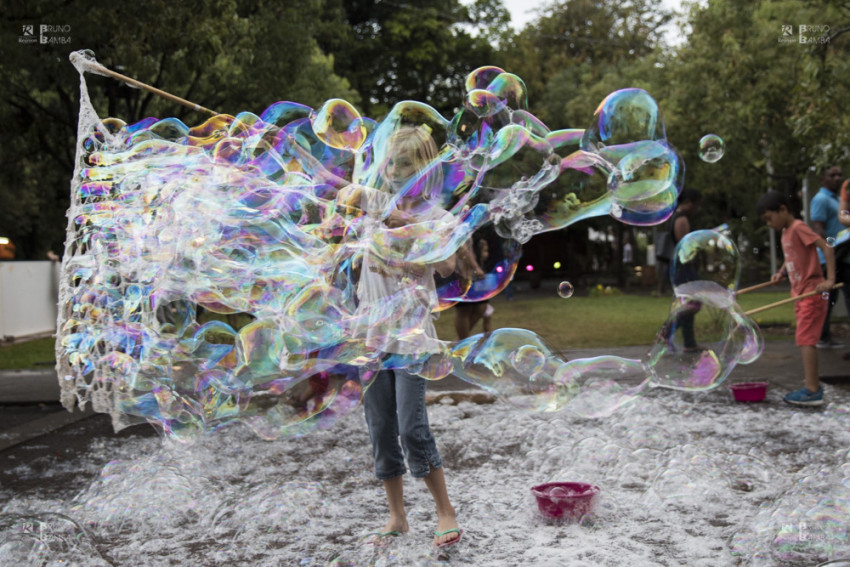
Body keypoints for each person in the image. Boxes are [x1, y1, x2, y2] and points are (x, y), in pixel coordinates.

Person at [344, 126, 462, 548]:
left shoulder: (437, 217)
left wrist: (409, 225)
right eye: (391, 162)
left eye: (406, 163)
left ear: (425, 168)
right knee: (380, 428)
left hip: (411, 337)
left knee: (412, 428)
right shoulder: (374, 201)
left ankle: (444, 511)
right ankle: (397, 516)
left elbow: (448, 267)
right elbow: (343, 194)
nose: (395, 171)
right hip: (371, 336)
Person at [758, 190, 835, 406]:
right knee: (804, 339)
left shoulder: (798, 227)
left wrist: (829, 280)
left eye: (769, 218)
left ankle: (812, 390)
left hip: (812, 292)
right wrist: (781, 273)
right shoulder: (785, 232)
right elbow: (792, 255)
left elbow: (826, 247)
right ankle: (811, 387)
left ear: (783, 210)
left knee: (806, 340)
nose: (768, 223)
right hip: (800, 295)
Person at [809, 165, 846, 349]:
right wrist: (829, 250)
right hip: (829, 259)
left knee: (839, 297)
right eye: (832, 175)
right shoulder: (821, 199)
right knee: (827, 300)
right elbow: (819, 229)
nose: (837, 178)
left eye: (839, 174)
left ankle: (825, 337)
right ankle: (823, 338)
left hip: (842, 257)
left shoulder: (838, 199)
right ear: (823, 178)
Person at [669, 188, 702, 351]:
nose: (698, 209)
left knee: (690, 303)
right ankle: (667, 332)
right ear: (688, 202)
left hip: (683, 267)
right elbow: (685, 246)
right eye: (697, 205)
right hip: (684, 267)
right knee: (693, 303)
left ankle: (689, 343)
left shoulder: (679, 216)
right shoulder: (682, 219)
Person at [454, 238, 493, 340]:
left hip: (472, 271)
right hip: (461, 272)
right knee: (464, 309)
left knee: (481, 307)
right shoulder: (455, 226)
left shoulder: (466, 225)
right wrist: (476, 267)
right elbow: (460, 247)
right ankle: (463, 342)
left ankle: (460, 341)